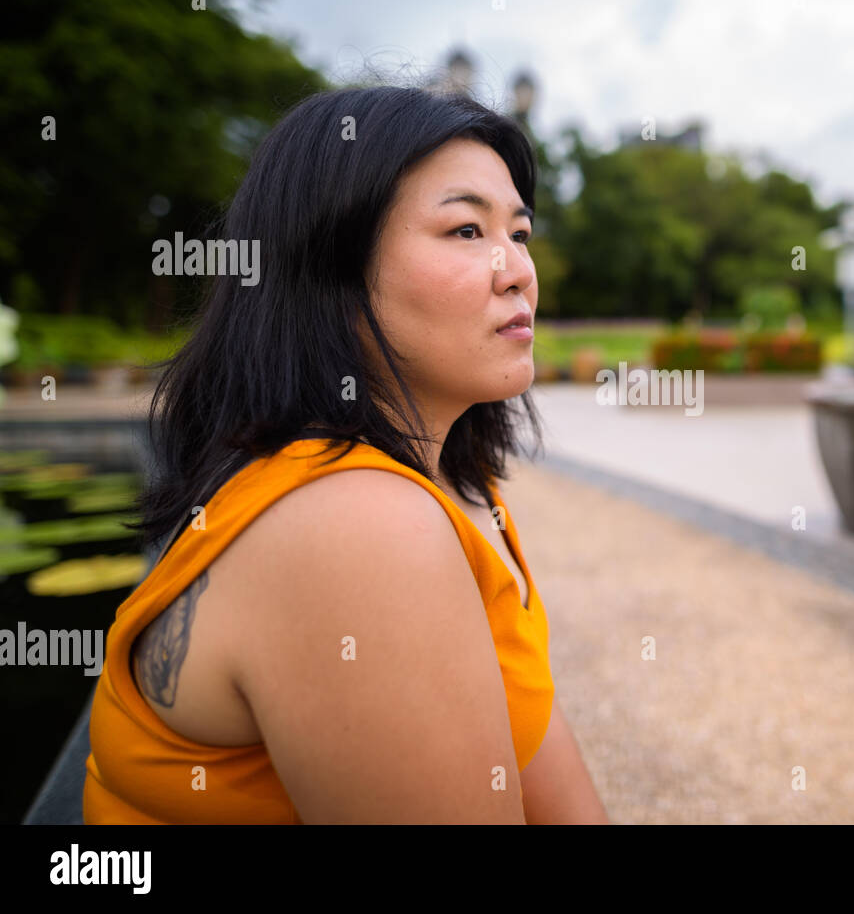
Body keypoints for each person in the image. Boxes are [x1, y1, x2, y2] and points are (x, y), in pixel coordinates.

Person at [83, 87, 609, 824]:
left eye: (517, 233)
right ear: (326, 266)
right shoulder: (356, 523)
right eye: (464, 230)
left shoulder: (456, 482)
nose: (518, 269)